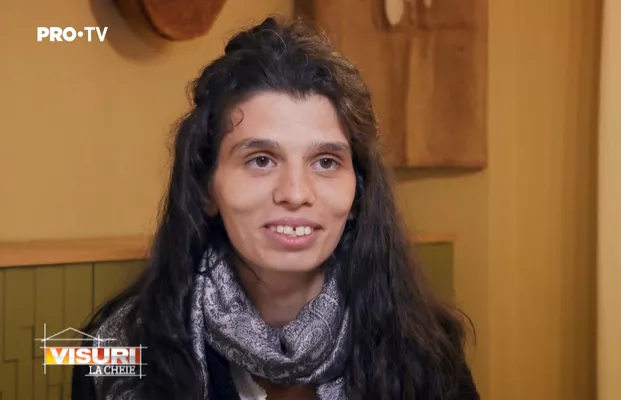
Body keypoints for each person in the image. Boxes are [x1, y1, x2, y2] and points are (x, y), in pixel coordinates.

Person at [71, 16, 479, 400]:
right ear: (206, 188)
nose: (295, 193)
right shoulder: (114, 350)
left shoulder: (427, 351)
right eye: (261, 160)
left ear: (358, 193)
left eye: (326, 162)